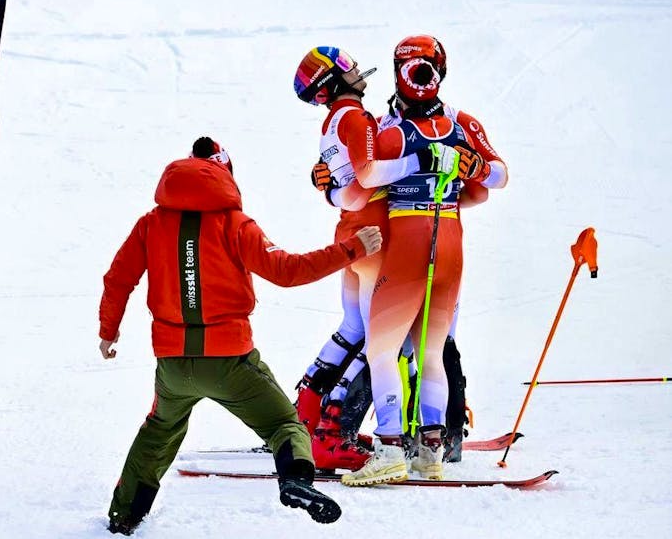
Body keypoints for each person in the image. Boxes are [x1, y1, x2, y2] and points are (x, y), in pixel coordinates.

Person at [99, 137, 382, 534]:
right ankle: (296, 480)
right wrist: (352, 249)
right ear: (224, 175)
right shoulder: (234, 224)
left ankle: (123, 515)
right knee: (286, 425)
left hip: (173, 365)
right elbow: (287, 270)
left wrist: (107, 332)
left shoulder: (151, 222)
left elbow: (118, 279)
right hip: (231, 362)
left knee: (159, 431)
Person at [342, 35, 507, 485]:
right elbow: (494, 180)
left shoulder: (389, 130)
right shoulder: (461, 123)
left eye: (422, 68)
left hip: (410, 237)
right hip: (449, 233)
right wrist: (463, 169)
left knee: (381, 348)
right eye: (415, 68)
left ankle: (391, 447)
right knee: (431, 350)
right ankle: (430, 451)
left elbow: (359, 186)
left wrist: (332, 185)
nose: (419, 77)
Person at [291, 46, 416, 471]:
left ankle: (305, 416)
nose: (357, 68)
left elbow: (344, 184)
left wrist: (328, 191)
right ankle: (331, 431)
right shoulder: (355, 118)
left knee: (354, 327)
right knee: (380, 337)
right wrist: (422, 159)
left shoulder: (333, 122)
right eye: (346, 65)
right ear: (333, 80)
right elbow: (365, 179)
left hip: (353, 231)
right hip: (374, 236)